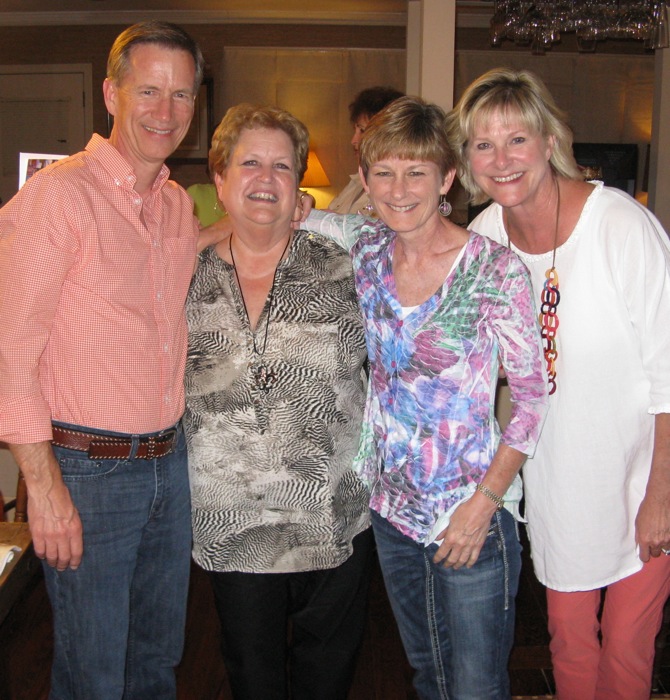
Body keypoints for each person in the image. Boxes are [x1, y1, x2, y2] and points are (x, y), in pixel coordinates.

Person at [299, 96, 549, 699]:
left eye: (417, 172)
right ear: (364, 179)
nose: (399, 188)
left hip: (470, 515)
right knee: (427, 676)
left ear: (448, 178)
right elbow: (286, 211)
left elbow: (535, 402)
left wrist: (484, 504)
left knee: (475, 688)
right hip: (392, 513)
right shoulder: (364, 249)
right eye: (383, 172)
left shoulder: (493, 269)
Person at [447, 67, 670, 700]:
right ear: (467, 161)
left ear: (549, 141)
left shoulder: (619, 226)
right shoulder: (486, 236)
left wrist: (663, 495)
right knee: (569, 643)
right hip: (557, 480)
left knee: (627, 650)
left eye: (516, 139)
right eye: (483, 145)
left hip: (642, 474)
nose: (502, 159)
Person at [0, 21, 204, 699]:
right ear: (112, 93)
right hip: (86, 473)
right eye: (149, 91)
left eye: (181, 95)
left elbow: (193, 261)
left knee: (156, 659)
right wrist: (45, 487)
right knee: (92, 673)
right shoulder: (60, 196)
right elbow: (12, 348)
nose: (166, 112)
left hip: (168, 470)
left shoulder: (176, 206)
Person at [184, 103, 372, 700]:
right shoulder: (180, 277)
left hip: (333, 519)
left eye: (283, 167)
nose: (266, 179)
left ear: (298, 187)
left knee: (327, 683)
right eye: (250, 163)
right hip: (232, 526)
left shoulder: (349, 268)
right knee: (253, 681)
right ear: (220, 180)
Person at [328, 85, 404, 214]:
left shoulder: (397, 191)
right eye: (355, 130)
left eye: (362, 131)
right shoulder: (357, 181)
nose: (354, 140)